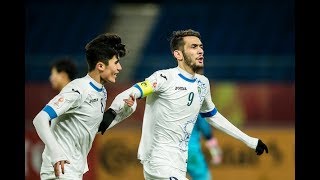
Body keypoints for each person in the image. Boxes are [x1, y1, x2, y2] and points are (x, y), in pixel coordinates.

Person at [98, 29, 269, 180]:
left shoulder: (203, 83)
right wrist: (112, 111)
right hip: (158, 161)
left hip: (179, 163)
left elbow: (213, 116)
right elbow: (133, 91)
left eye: (201, 46)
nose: (200, 51)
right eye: (193, 47)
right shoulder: (164, 78)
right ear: (178, 54)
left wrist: (250, 141)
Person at [32, 33, 136, 180]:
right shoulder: (78, 89)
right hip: (59, 170)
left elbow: (95, 128)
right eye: (116, 62)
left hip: (74, 170)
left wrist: (123, 112)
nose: (119, 67)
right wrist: (55, 152)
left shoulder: (101, 91)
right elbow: (40, 119)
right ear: (100, 66)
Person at [187, 114, 222, 180]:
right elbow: (205, 129)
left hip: (168, 149)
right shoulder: (196, 107)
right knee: (202, 177)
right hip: (190, 148)